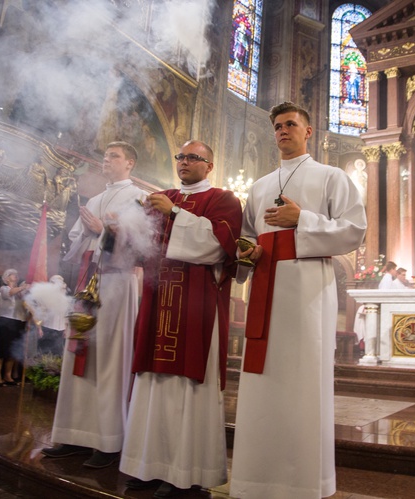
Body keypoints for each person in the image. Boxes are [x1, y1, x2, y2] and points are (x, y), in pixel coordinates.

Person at [231, 102, 367, 499]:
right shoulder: (258, 186)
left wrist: (302, 219)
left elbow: (354, 230)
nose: (283, 131)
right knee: (262, 379)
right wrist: (248, 253)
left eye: (291, 124)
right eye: (277, 126)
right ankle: (255, 479)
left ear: (309, 132)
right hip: (265, 286)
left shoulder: (331, 177)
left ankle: (305, 482)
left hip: (308, 288)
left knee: (303, 379)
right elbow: (248, 241)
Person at [120, 140, 242, 496]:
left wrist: (175, 213)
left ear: (210, 164)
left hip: (196, 306)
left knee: (190, 388)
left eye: (193, 157)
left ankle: (186, 475)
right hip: (158, 300)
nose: (185, 161)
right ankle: (147, 465)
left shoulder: (224, 200)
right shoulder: (161, 195)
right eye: (181, 156)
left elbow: (219, 246)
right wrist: (124, 226)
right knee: (152, 383)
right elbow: (140, 247)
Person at [42, 141, 144, 469]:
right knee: (79, 355)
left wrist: (102, 234)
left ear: (129, 163)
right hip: (89, 281)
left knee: (109, 358)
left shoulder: (137, 197)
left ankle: (108, 441)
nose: (106, 160)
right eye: (105, 155)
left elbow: (142, 247)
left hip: (117, 283)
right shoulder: (97, 199)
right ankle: (73, 435)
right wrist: (89, 234)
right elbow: (74, 244)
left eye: (114, 156)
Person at [0, 269, 29, 387]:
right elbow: (9, 293)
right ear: (7, 278)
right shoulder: (4, 288)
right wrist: (23, 287)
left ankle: (8, 375)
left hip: (19, 321)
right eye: (13, 275)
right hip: (7, 321)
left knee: (13, 350)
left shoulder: (20, 292)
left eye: (17, 274)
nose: (16, 276)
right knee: (2, 349)